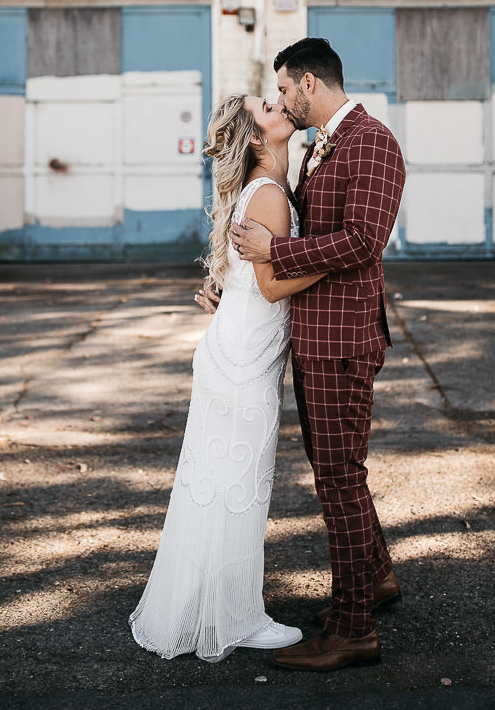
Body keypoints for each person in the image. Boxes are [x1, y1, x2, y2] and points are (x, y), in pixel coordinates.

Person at [230, 37, 406, 672]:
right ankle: (375, 577)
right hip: (314, 337)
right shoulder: (321, 145)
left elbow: (362, 241)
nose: (281, 100)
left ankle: (354, 628)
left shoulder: (372, 142)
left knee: (338, 479)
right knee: (336, 472)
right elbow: (311, 224)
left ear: (308, 83)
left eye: (283, 89)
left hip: (341, 341)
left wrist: (272, 255)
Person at [130, 93, 325, 663]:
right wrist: (333, 261)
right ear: (255, 132)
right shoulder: (267, 194)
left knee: (218, 486)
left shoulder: (260, 189)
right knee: (239, 488)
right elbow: (270, 286)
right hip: (243, 358)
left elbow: (246, 279)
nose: (281, 105)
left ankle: (208, 607)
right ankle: (238, 619)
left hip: (236, 345)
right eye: (268, 105)